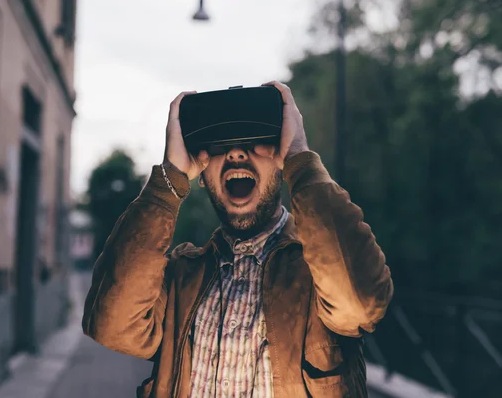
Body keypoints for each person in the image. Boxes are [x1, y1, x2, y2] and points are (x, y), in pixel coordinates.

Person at [82, 81, 394, 398]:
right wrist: (168, 181)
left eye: (256, 141)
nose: (235, 152)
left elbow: (362, 305)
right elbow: (111, 324)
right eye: (218, 145)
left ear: (279, 164)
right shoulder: (180, 278)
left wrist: (300, 159)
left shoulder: (319, 275)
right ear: (201, 174)